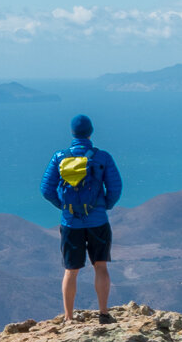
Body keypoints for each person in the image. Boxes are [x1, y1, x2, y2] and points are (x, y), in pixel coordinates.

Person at [41, 114, 123, 319]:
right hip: (98, 221)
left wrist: (64, 206)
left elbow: (46, 189)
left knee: (71, 270)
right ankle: (104, 313)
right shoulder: (102, 157)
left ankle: (68, 317)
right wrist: (104, 205)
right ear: (90, 132)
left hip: (70, 223)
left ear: (72, 132)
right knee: (100, 266)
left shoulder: (60, 157)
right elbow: (115, 187)